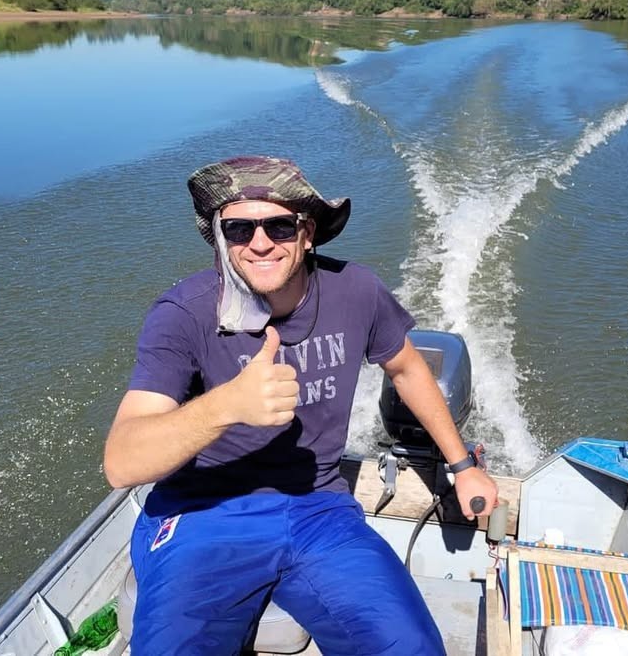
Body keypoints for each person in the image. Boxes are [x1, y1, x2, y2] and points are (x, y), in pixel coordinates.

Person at [104, 155, 498, 655]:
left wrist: (462, 466)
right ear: (222, 238)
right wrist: (225, 404)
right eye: (240, 228)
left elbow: (407, 367)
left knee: (410, 646)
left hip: (318, 506)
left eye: (279, 226)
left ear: (307, 231)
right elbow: (121, 463)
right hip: (203, 512)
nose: (260, 242)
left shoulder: (356, 291)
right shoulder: (183, 315)